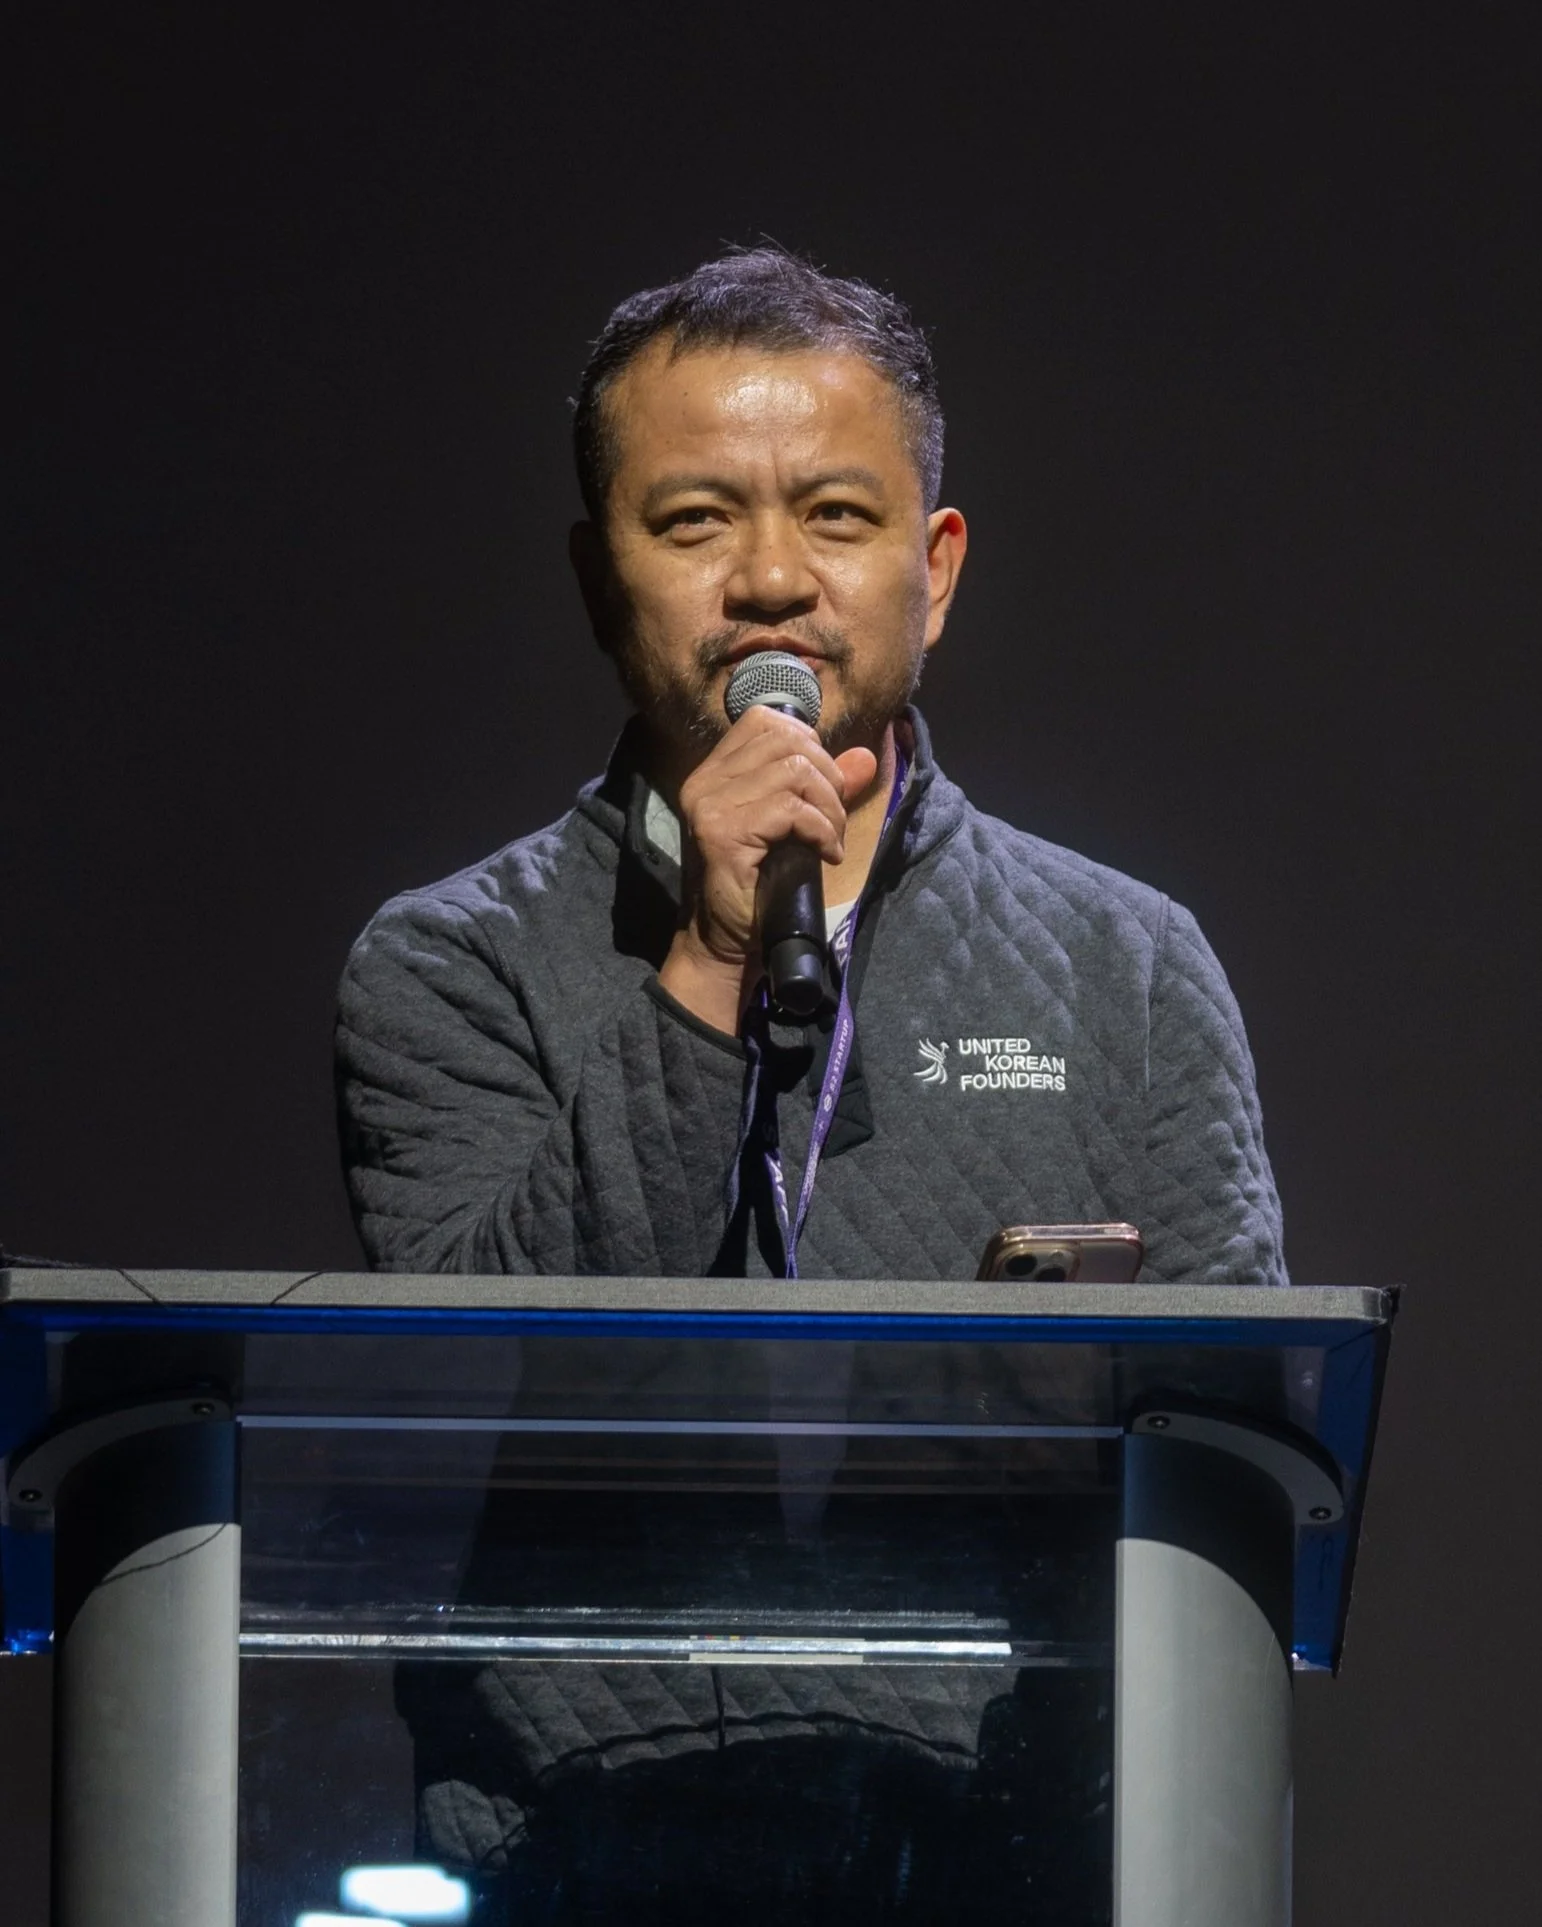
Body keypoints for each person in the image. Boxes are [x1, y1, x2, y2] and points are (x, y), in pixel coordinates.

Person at [335, 246, 1285, 1288]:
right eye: (694, 520)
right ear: (599, 583)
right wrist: (707, 962)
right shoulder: (453, 966)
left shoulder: (1129, 966)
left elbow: (1229, 1426)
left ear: (935, 570)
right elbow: (474, 1376)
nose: (774, 579)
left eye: (836, 514)